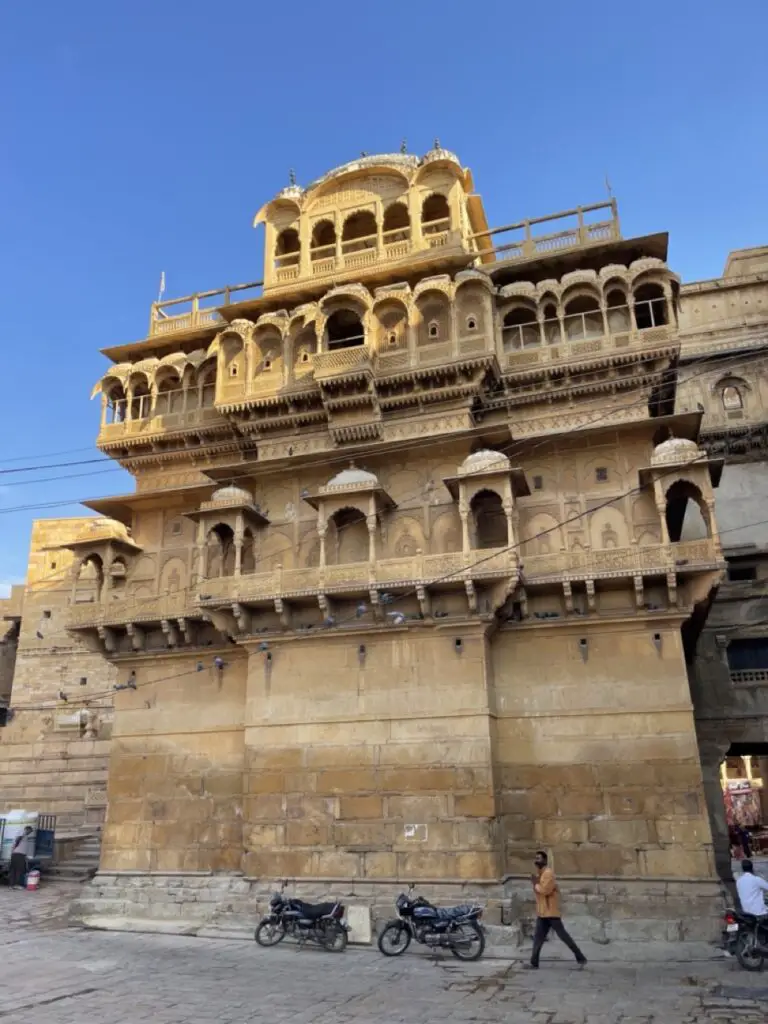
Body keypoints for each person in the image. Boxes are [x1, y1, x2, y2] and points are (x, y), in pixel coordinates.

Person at [525, 850, 587, 970]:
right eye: (536, 858)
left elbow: (545, 890)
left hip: (551, 912)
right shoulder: (542, 874)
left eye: (539, 858)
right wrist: (536, 882)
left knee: (563, 936)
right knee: (538, 938)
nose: (536, 861)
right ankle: (534, 962)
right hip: (543, 912)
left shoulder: (548, 873)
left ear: (545, 860)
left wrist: (535, 884)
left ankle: (581, 957)